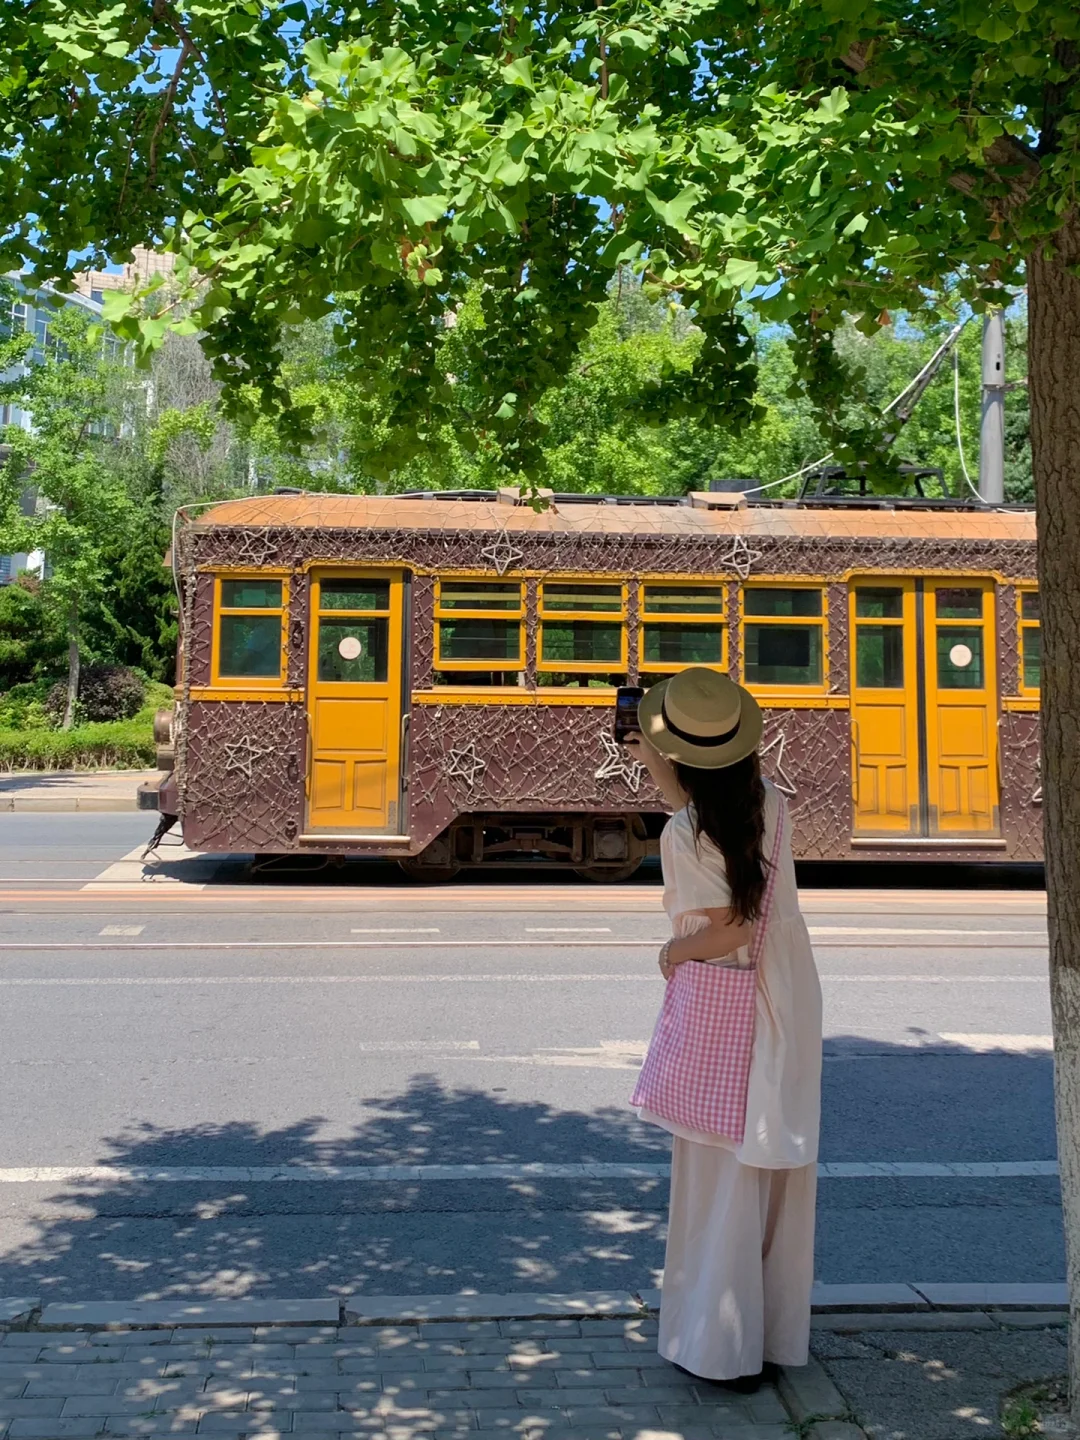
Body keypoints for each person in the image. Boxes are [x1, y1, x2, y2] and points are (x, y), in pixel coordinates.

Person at [624, 666, 822, 1391]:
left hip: (724, 1004)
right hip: (786, 994)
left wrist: (673, 950)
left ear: (676, 759)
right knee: (771, 1170)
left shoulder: (684, 832)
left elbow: (725, 929)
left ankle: (717, 1348)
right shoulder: (768, 801)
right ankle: (765, 1338)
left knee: (716, 1175)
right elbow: (756, 909)